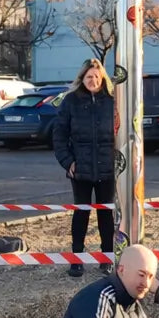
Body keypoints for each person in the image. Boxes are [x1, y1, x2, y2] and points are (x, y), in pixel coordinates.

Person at [52, 57, 116, 277]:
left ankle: (107, 258)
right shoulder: (71, 101)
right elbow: (59, 135)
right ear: (82, 78)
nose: (93, 80)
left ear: (102, 78)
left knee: (106, 214)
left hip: (107, 168)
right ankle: (77, 259)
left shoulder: (112, 101)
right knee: (81, 213)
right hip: (80, 169)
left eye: (96, 76)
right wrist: (67, 161)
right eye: (89, 76)